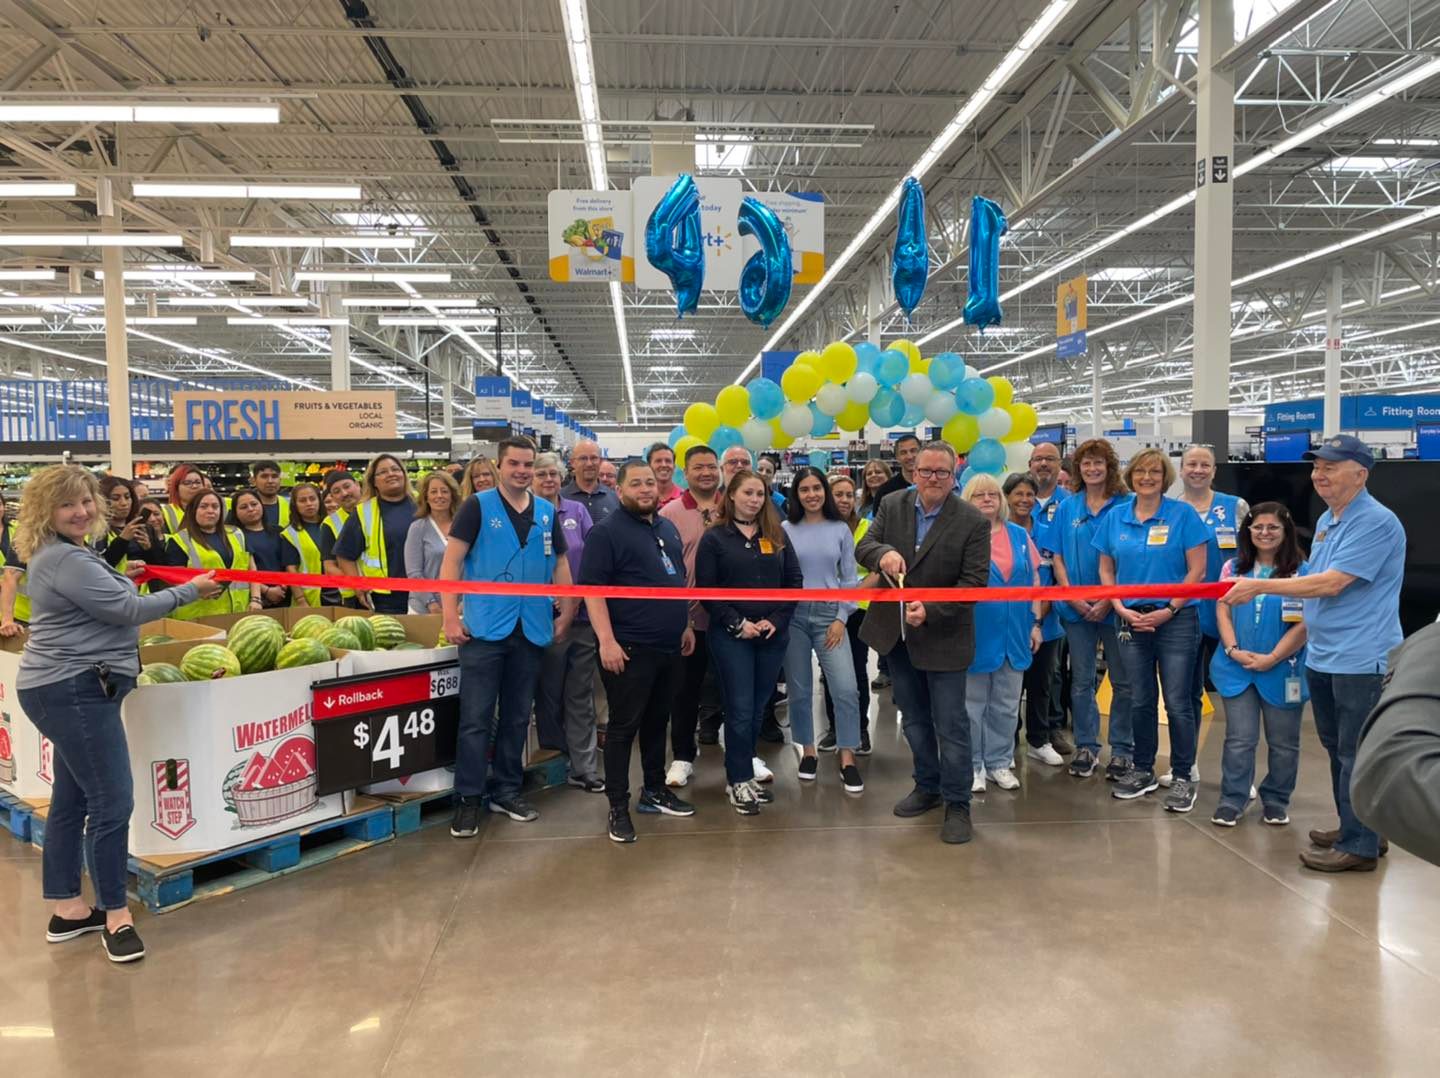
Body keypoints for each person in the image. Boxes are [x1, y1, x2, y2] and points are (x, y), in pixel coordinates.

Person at [12, 466, 219, 963]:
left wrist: (124, 581)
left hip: (61, 687)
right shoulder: (67, 559)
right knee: (111, 800)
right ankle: (115, 916)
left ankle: (68, 909)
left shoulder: (67, 554)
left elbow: (107, 601)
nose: (81, 511)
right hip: (74, 689)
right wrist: (191, 589)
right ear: (46, 512)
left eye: (85, 501)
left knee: (72, 799)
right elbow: (129, 613)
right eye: (67, 505)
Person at [1223, 435, 1405, 872]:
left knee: (1354, 752)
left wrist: (1260, 585)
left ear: (1360, 474)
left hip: (1361, 657)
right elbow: (1314, 578)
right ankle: (1358, 827)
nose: (1319, 475)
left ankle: (1360, 846)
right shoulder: (1328, 520)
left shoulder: (1376, 522)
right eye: (1316, 467)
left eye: (1331, 467)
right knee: (1337, 746)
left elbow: (1331, 583)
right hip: (1324, 654)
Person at [857, 441, 990, 845]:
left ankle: (958, 802)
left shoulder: (971, 520)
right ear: (914, 472)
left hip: (945, 637)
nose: (933, 479)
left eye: (942, 473)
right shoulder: (892, 503)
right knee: (913, 720)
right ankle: (927, 786)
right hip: (897, 636)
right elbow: (864, 547)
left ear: (954, 476)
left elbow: (973, 584)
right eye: (926, 471)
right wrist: (883, 555)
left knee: (951, 724)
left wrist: (929, 609)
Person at [442, 437, 576, 836]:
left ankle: (506, 789)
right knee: (476, 719)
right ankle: (467, 798)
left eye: (528, 465)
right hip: (484, 629)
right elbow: (452, 562)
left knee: (518, 717)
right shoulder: (476, 507)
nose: (521, 470)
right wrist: (450, 615)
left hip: (531, 630)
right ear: (500, 466)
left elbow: (562, 563)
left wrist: (567, 610)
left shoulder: (547, 512)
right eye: (514, 463)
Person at [580, 461, 694, 843]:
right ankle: (617, 805)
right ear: (620, 490)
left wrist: (686, 624)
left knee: (656, 723)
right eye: (637, 484)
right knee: (622, 728)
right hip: (628, 648)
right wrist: (607, 641)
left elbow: (676, 581)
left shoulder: (665, 526)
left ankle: (654, 790)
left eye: (650, 482)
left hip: (668, 646)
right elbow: (593, 591)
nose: (646, 489)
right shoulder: (606, 533)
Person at [1094, 448, 1208, 811]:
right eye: (1140, 471)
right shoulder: (1115, 518)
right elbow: (1106, 570)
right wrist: (1120, 607)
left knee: (1177, 701)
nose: (1146, 477)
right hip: (1129, 618)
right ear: (1131, 475)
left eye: (1154, 472)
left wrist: (1170, 609)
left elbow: (1197, 572)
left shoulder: (1182, 515)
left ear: (1165, 477)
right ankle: (1142, 769)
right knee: (1139, 698)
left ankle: (1182, 775)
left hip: (1176, 619)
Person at [696, 469, 803, 816]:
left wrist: (775, 620)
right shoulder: (714, 539)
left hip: (772, 635)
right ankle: (738, 778)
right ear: (731, 496)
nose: (755, 500)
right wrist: (738, 623)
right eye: (748, 493)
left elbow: (794, 581)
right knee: (740, 708)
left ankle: (743, 773)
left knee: (758, 708)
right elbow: (707, 591)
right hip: (733, 637)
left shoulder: (777, 535)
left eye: (761, 494)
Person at [1209, 503, 1308, 827]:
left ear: (1286, 532)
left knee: (1283, 742)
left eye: (1273, 528)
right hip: (1236, 666)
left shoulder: (1303, 573)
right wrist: (1233, 649)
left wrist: (1274, 657)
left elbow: (1306, 623)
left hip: (1283, 668)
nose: (1265, 533)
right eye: (1258, 527)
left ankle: (1277, 800)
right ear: (1248, 532)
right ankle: (1232, 799)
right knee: (1240, 738)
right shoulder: (1232, 568)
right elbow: (1222, 610)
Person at [1046, 439, 1134, 780]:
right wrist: (1071, 596)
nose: (1092, 469)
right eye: (1086, 464)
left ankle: (1123, 749)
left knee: (1123, 681)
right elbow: (1057, 555)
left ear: (1110, 467)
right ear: (1078, 469)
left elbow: (1130, 558)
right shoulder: (1068, 506)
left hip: (1117, 608)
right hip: (1075, 608)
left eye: (1099, 463)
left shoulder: (1126, 505)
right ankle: (1086, 744)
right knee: (1080, 679)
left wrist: (1108, 600)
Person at [781, 467, 865, 792]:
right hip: (795, 617)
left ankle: (847, 756)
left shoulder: (840, 529)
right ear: (797, 495)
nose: (812, 494)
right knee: (799, 690)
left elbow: (849, 580)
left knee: (845, 688)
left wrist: (842, 618)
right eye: (805, 489)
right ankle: (808, 751)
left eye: (817, 488)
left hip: (831, 615)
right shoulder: (784, 529)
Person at [1173, 444, 1249, 788]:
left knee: (1237, 692)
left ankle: (1240, 774)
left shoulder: (1235, 507)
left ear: (1214, 470)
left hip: (1230, 611)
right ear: (1182, 469)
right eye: (1192, 464)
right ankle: (1186, 766)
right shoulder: (1171, 509)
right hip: (1185, 612)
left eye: (1205, 464)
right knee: (1187, 694)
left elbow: (1253, 551)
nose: (1198, 470)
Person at [964, 473, 1043, 792]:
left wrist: (1035, 624)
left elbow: (1035, 582)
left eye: (993, 494)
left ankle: (999, 762)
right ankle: (973, 764)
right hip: (977, 632)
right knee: (972, 704)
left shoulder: (1020, 536)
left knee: (1007, 703)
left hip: (1016, 631)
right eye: (978, 495)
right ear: (966, 501)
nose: (987, 500)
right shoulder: (963, 537)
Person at [532, 452, 602, 793]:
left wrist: (575, 600)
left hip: (583, 619)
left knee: (580, 693)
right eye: (541, 474)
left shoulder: (577, 512)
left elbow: (590, 561)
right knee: (547, 694)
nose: (548, 480)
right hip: (540, 620)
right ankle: (553, 759)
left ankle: (584, 766)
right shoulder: (525, 514)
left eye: (553, 474)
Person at [660, 444, 723, 788]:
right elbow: (665, 567)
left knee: (738, 690)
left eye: (711, 467)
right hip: (688, 622)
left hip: (730, 620)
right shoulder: (670, 513)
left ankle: (746, 757)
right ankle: (683, 756)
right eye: (698, 467)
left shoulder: (734, 506)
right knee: (684, 692)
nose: (706, 473)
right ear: (686, 473)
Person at [1353, 622, 1440, 867]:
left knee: (1354, 755)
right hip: (1331, 660)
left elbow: (1390, 774)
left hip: (1363, 664)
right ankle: (1352, 832)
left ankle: (1360, 841)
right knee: (1343, 754)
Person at [1004, 472, 1068, 766]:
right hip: (1011, 624)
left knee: (1042, 682)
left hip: (1047, 622)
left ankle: (1039, 740)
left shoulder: (1049, 531)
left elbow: (1056, 575)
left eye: (1030, 495)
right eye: (1018, 494)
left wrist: (1041, 615)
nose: (1024, 500)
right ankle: (1007, 741)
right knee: (1009, 686)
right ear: (1007, 498)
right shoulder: (998, 534)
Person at [819, 473, 873, 756]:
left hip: (858, 611)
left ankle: (860, 729)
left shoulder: (868, 528)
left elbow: (876, 571)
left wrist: (852, 595)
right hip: (826, 610)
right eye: (837, 494)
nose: (843, 499)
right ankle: (834, 728)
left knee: (856, 671)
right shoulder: (820, 528)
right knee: (830, 673)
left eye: (848, 495)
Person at [332, 454, 417, 615]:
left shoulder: (422, 504)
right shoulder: (364, 512)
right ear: (374, 481)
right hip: (386, 598)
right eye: (383, 472)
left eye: (395, 469)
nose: (391, 474)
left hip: (425, 592)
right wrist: (358, 586)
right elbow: (344, 555)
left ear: (404, 475)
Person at [161, 490, 261, 618]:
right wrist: (197, 591)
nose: (210, 510)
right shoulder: (179, 540)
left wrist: (256, 599)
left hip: (240, 611)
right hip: (199, 615)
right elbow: (174, 581)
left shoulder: (237, 534)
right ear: (193, 511)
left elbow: (252, 569)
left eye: (215, 506)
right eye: (204, 506)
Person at [228, 488, 299, 609]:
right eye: (243, 507)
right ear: (235, 512)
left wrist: (283, 585)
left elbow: (288, 563)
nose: (251, 509)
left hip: (284, 595)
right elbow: (241, 571)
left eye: (254, 504)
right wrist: (266, 591)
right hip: (253, 600)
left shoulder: (279, 531)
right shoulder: (235, 537)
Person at [404, 471, 461, 616]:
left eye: (444, 491)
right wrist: (431, 604)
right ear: (426, 497)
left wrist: (464, 603)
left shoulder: (464, 526)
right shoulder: (418, 528)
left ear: (452, 496)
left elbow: (474, 569)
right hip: (423, 609)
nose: (439, 496)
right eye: (434, 492)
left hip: (461, 607)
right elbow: (414, 573)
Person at [96, 476, 160, 573]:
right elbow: (100, 567)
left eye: (127, 497)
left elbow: (161, 565)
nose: (124, 503)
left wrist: (149, 549)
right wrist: (122, 540)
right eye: (115, 498)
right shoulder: (96, 531)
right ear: (102, 500)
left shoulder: (145, 528)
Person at [319, 469, 362, 607]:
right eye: (336, 491)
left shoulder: (377, 511)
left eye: (347, 486)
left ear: (357, 485)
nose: (344, 493)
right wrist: (356, 583)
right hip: (352, 596)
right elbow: (329, 566)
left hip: (384, 589)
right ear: (332, 497)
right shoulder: (329, 523)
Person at [282, 482, 327, 607]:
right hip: (308, 598)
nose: (309, 503)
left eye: (312, 499)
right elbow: (291, 569)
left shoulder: (333, 524)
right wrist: (301, 600)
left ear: (319, 500)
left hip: (339, 592)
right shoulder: (290, 534)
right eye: (302, 500)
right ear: (295, 505)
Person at [564, 439, 620, 523]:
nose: (589, 464)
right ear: (572, 463)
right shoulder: (561, 498)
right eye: (583, 458)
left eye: (594, 458)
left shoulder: (615, 499)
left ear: (600, 461)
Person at [1, 490, 31, 636]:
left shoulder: (16, 530)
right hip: (15, 612)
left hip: (27, 611)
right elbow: (11, 574)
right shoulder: (25, 534)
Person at [160, 463, 209, 533]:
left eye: (198, 482)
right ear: (176, 488)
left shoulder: (213, 509)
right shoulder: (165, 512)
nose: (194, 486)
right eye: (187, 483)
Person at [874, 433, 921, 500]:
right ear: (897, 457)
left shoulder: (932, 484)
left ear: (922, 452)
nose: (909, 456)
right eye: (903, 452)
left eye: (913, 451)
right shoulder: (885, 491)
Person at [1028, 442, 1065, 527]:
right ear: (1030, 465)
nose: (1043, 463)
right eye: (1038, 459)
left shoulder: (1071, 502)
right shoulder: (1019, 503)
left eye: (1050, 459)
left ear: (1060, 465)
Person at [251, 460, 289, 528]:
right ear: (254, 481)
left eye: (274, 476)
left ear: (280, 480)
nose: (270, 481)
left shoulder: (291, 506)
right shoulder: (244, 507)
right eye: (264, 476)